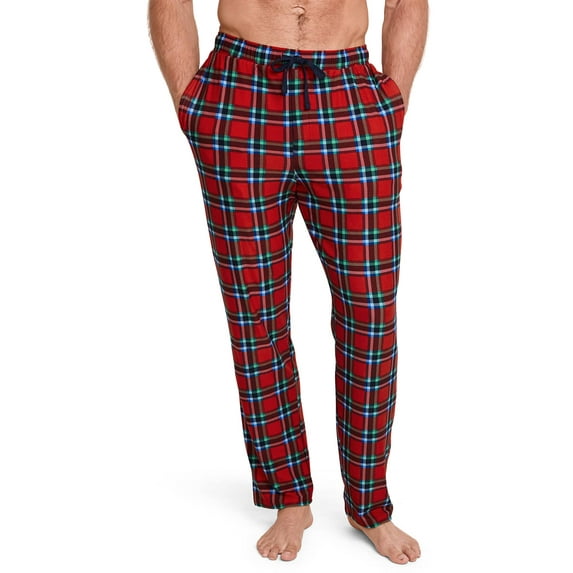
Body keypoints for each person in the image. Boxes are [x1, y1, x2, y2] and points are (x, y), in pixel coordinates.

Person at [148, 0, 428, 564]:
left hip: (348, 92)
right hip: (240, 89)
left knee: (370, 315)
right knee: (257, 315)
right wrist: (191, 101)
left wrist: (391, 101)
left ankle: (368, 502)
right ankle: (288, 496)